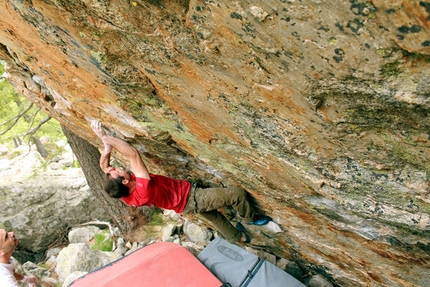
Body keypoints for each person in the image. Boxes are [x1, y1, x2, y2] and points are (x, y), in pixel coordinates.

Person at [90, 120, 272, 243]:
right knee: (237, 195)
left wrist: (106, 148)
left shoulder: (120, 192)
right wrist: (107, 138)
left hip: (184, 206)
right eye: (119, 172)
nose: (119, 169)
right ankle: (249, 219)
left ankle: (237, 238)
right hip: (191, 198)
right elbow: (133, 154)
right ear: (125, 182)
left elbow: (105, 167)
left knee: (216, 218)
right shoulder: (142, 189)